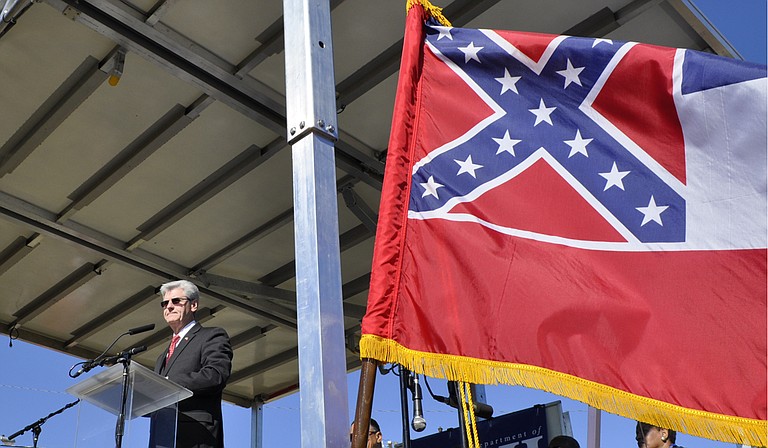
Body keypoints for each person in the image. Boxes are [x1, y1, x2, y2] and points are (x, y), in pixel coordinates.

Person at [149, 280, 233, 448]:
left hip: (196, 437)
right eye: (165, 303)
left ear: (193, 305)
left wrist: (167, 383)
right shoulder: (162, 357)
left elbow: (215, 375)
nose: (169, 307)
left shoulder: (211, 336)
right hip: (162, 440)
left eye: (176, 301)